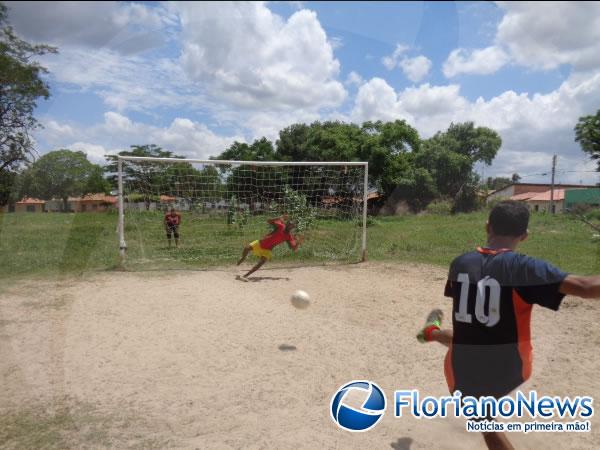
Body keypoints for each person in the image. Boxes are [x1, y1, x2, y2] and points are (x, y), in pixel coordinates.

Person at [416, 200, 600, 450]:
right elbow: (587, 288)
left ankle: (433, 332)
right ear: (524, 236)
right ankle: (432, 332)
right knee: (476, 337)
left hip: (463, 370)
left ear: (487, 227)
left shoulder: (459, 264)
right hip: (513, 368)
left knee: (482, 416)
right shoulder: (525, 268)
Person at [237, 214, 304, 281]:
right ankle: (243, 257)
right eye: (289, 223)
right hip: (260, 243)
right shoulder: (281, 226)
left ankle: (245, 276)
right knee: (246, 248)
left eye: (291, 225)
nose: (289, 225)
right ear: (287, 223)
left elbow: (294, 249)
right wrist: (279, 217)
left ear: (293, 227)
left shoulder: (289, 237)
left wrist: (298, 242)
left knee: (260, 263)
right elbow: (268, 220)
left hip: (267, 250)